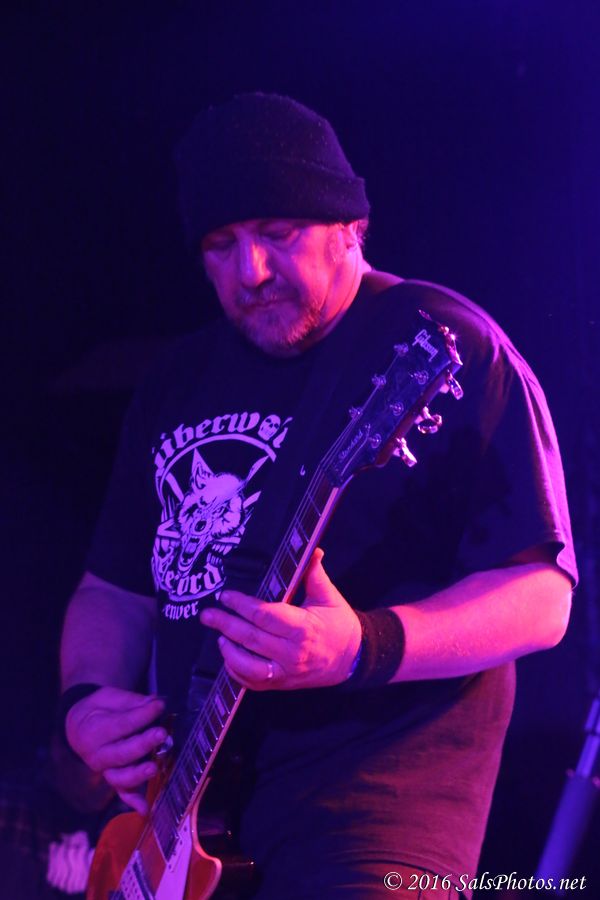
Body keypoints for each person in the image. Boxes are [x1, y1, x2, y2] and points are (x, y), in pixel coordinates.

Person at [59, 93, 577, 899]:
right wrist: (87, 705)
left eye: (278, 233)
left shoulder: (438, 342)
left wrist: (362, 646)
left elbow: (542, 597)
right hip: (184, 821)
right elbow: (112, 590)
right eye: (221, 245)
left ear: (350, 227)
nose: (250, 272)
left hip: (373, 823)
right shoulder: (176, 379)